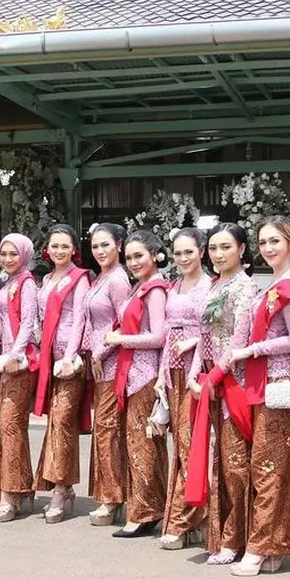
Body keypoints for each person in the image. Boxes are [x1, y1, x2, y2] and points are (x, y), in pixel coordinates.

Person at [226, 215, 290, 575]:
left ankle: (259, 548)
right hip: (264, 385)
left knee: (267, 468)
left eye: (275, 241)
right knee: (272, 469)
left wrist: (254, 350)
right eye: (263, 242)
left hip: (280, 384)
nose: (268, 248)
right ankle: (277, 545)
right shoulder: (274, 283)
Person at [186, 223, 257, 566]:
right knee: (220, 462)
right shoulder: (216, 286)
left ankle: (238, 539)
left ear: (242, 250)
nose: (218, 254)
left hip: (234, 383)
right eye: (213, 248)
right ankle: (222, 536)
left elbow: (239, 340)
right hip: (211, 381)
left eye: (225, 247)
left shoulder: (245, 289)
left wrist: (213, 376)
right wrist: (194, 373)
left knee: (236, 464)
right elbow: (204, 336)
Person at [106, 229, 168, 538]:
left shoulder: (155, 290)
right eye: (129, 257)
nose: (133, 262)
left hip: (145, 375)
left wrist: (121, 339)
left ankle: (145, 511)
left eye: (139, 256)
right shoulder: (138, 288)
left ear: (155, 255)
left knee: (142, 444)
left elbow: (159, 336)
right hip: (131, 373)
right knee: (135, 444)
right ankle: (145, 507)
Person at [155, 228, 211, 550]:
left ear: (201, 251)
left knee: (191, 446)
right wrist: (163, 375)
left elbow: (206, 332)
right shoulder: (174, 286)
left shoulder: (207, 287)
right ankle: (187, 517)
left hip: (194, 372)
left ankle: (188, 518)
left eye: (189, 252)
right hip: (172, 371)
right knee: (180, 445)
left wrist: (193, 375)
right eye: (178, 253)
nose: (183, 258)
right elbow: (167, 334)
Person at [33, 225, 92, 524]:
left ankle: (59, 490)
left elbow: (80, 318)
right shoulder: (46, 279)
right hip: (48, 356)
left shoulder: (79, 278)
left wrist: (70, 357)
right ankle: (65, 486)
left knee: (61, 420)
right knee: (57, 423)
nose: (59, 251)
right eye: (54, 246)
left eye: (64, 247)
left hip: (71, 360)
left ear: (73, 250)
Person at [83, 223, 133, 526]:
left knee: (108, 430)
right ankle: (108, 493)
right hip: (99, 362)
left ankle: (113, 498)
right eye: (95, 247)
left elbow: (125, 323)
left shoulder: (118, 280)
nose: (100, 251)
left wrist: (101, 353)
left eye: (106, 245)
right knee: (103, 429)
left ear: (119, 246)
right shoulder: (100, 277)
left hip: (112, 362)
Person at [0, 233, 40, 522]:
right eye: (4, 254)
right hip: (6, 362)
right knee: (10, 427)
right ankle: (18, 487)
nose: (8, 259)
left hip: (19, 364)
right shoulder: (8, 282)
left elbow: (27, 323)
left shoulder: (27, 283)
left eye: (14, 254)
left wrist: (14, 355)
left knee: (10, 425)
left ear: (25, 254)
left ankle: (11, 495)